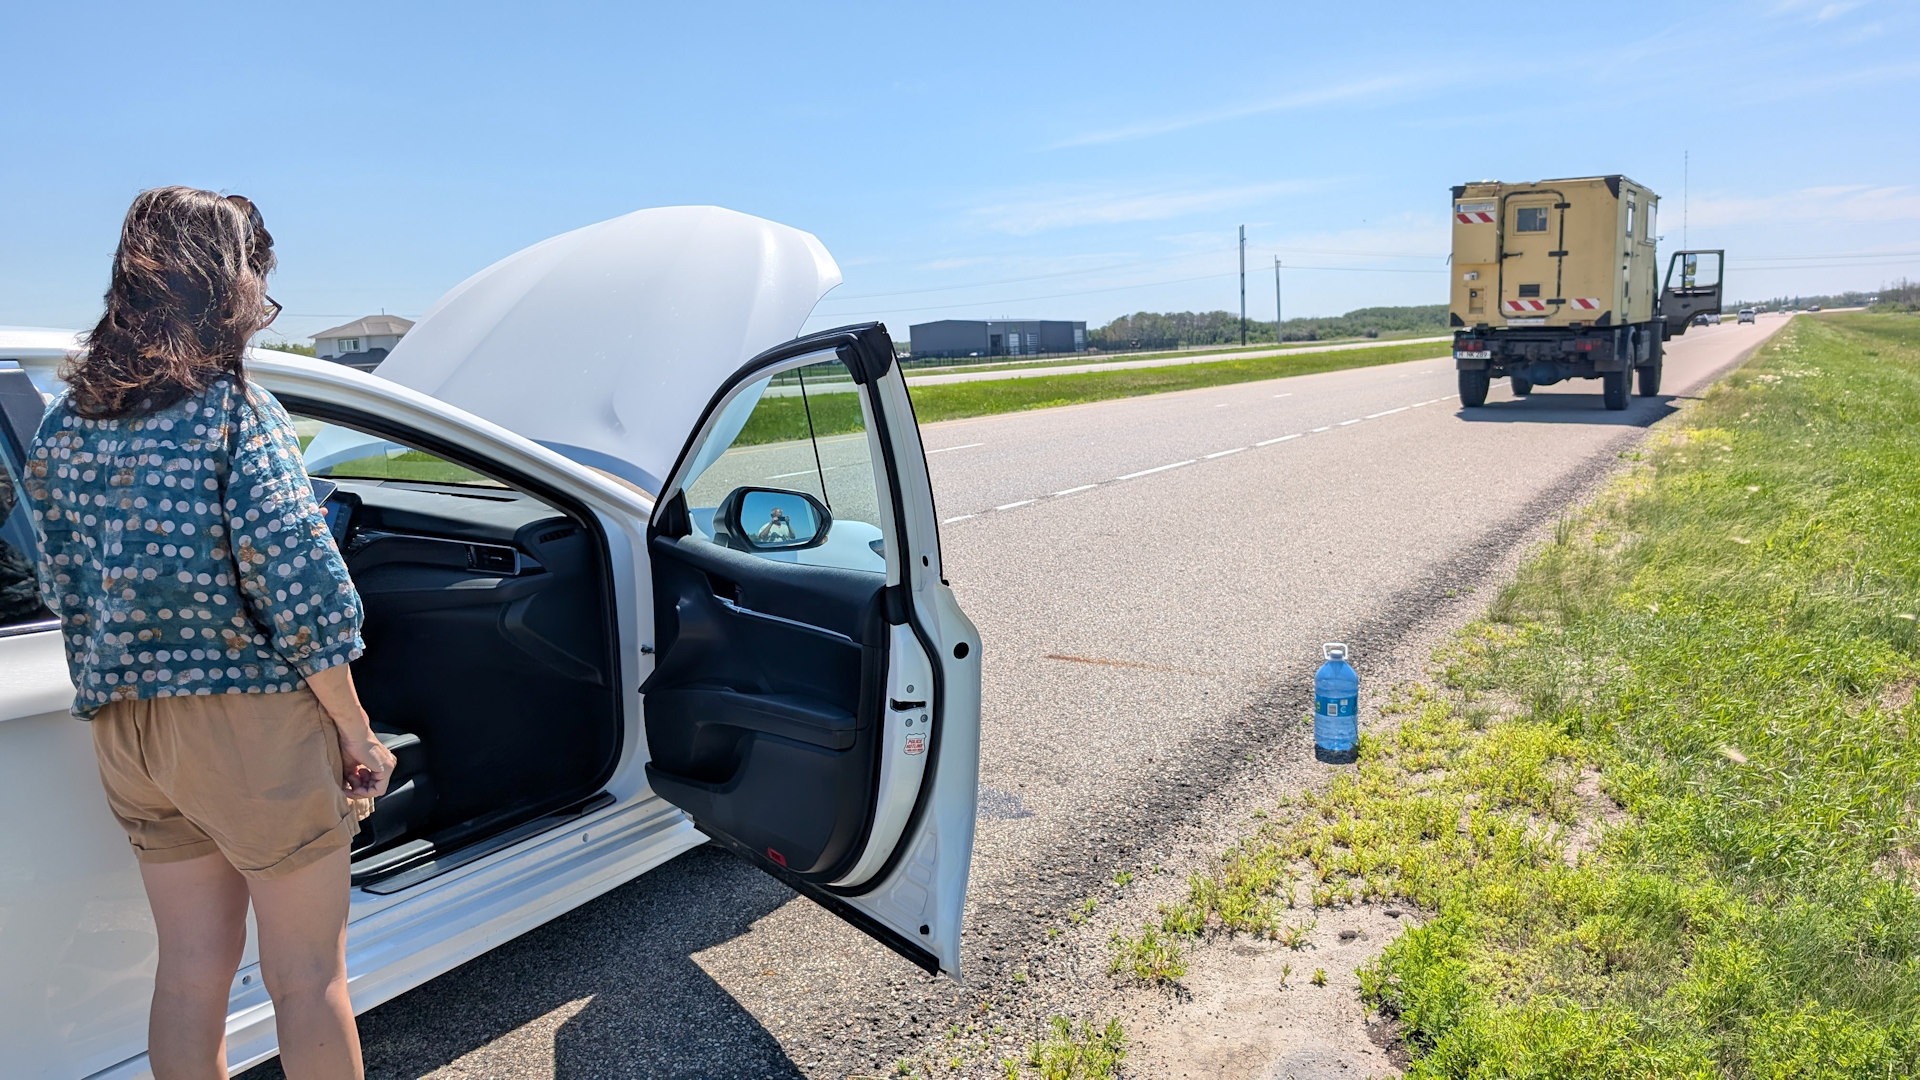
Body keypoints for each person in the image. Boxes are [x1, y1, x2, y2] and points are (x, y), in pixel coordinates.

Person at [21, 187, 394, 1080]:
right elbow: (302, 587)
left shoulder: (69, 426)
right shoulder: (234, 412)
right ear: (227, 280)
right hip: (247, 723)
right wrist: (355, 729)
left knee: (190, 974)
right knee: (308, 978)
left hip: (127, 729)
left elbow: (59, 578)